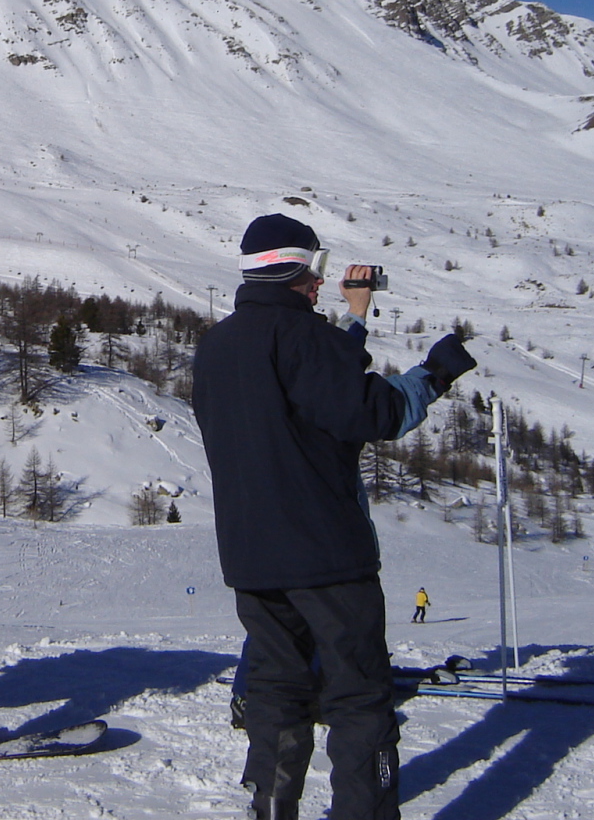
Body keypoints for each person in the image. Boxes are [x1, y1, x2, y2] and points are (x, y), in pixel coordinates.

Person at [193, 214, 476, 820]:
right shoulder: (306, 340)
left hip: (252, 559)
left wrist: (355, 317)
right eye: (315, 268)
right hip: (327, 556)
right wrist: (435, 374)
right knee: (359, 699)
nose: (321, 282)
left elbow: (308, 384)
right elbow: (374, 412)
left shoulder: (216, 347)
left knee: (277, 690)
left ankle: (271, 808)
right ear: (292, 268)